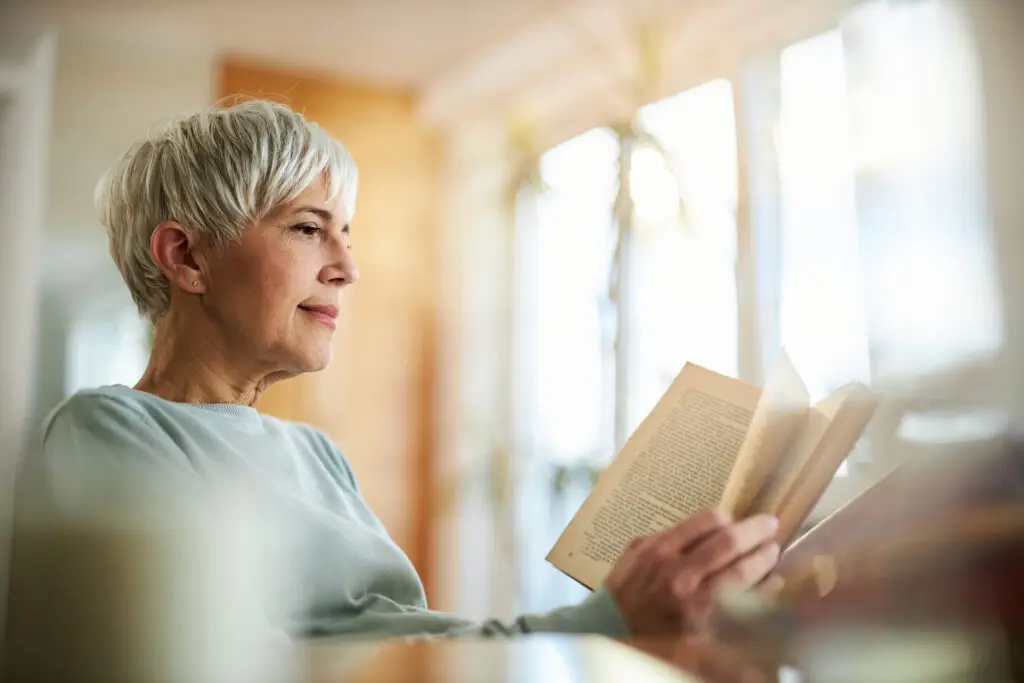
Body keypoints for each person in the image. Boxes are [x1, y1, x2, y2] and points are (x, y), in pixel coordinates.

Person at [26, 100, 780, 640]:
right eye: (307, 228)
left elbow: (404, 632)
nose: (348, 267)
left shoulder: (317, 456)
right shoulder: (106, 429)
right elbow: (233, 660)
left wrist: (621, 615)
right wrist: (600, 623)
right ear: (187, 256)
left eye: (345, 234)